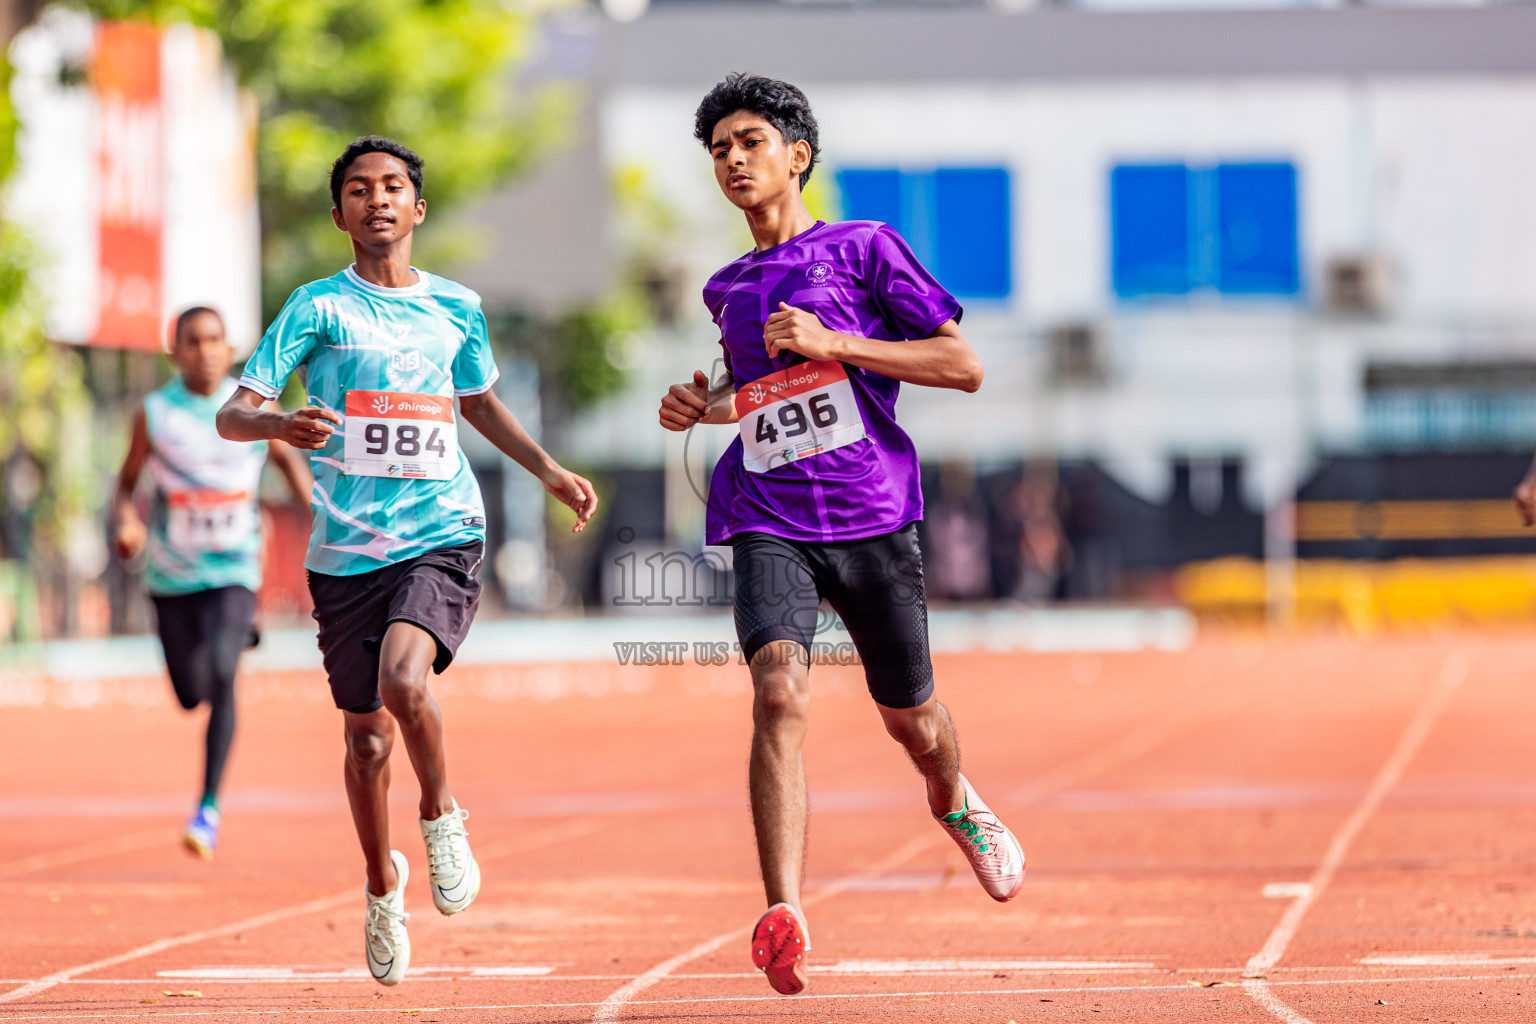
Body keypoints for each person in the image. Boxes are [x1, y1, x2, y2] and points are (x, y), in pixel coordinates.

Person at [657, 74, 1026, 997]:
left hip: (869, 514)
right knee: (778, 690)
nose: (733, 161)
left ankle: (956, 801)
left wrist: (837, 343)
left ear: (797, 154)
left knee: (912, 720)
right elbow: (759, 396)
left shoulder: (865, 249)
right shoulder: (726, 286)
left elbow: (963, 364)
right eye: (718, 150)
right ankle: (782, 909)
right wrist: (702, 406)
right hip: (765, 513)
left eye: (748, 142)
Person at [216, 136, 597, 987]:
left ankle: (440, 812)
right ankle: (381, 883)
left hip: (440, 529)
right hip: (346, 549)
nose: (377, 200)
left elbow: (478, 401)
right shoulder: (315, 309)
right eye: (358, 189)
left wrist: (548, 469)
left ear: (417, 208)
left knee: (405, 682)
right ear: (339, 212)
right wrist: (279, 424)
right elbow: (234, 416)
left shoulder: (456, 308)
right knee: (362, 744)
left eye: (393, 187)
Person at [111, 306, 312, 860]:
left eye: (215, 341)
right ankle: (234, 637)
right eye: (193, 342)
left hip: (233, 571)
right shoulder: (154, 414)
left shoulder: (251, 409)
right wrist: (127, 522)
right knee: (189, 693)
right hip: (172, 578)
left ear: (230, 350)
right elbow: (125, 485)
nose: (205, 351)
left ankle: (208, 807)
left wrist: (320, 519)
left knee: (224, 675)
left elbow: (291, 467)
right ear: (174, 352)